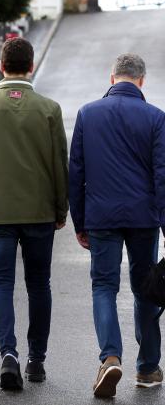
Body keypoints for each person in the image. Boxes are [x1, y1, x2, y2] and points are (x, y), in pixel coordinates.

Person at [0, 37, 68, 391]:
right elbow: (59, 165)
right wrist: (60, 207)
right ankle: (37, 359)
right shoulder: (49, 109)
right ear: (31, 66)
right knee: (39, 284)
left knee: (2, 282)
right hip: (38, 211)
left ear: (1, 66)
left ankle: (9, 353)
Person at [68, 53, 164, 398]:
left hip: (102, 216)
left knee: (104, 287)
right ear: (141, 80)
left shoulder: (88, 114)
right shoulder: (156, 118)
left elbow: (75, 173)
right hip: (143, 217)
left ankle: (110, 357)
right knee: (146, 287)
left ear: (112, 79)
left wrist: (80, 221)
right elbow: (162, 177)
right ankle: (149, 368)